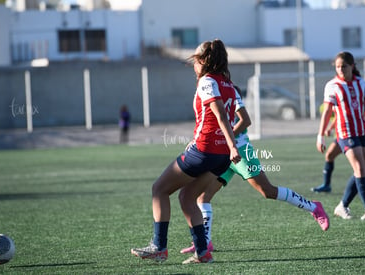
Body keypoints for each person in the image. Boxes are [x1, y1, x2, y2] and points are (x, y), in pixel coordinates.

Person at [180, 86, 329, 254]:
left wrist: (227, 139)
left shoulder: (229, 91)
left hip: (242, 152)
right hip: (223, 153)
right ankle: (204, 242)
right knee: (203, 197)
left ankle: (314, 207)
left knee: (268, 191)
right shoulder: (211, 92)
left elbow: (245, 121)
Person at [131, 39, 241, 264]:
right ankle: (203, 252)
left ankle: (159, 246)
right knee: (187, 197)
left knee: (159, 189)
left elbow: (219, 114)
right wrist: (227, 147)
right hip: (220, 157)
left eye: (195, 60)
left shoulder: (207, 81)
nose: (193, 65)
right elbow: (215, 118)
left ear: (203, 61)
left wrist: (232, 146)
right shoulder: (227, 84)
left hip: (206, 151)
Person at [316, 51, 365, 220]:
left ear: (352, 66)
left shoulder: (361, 82)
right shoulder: (332, 85)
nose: (340, 70)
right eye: (338, 67)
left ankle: (342, 206)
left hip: (361, 131)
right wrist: (320, 135)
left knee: (364, 169)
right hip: (345, 133)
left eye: (344, 66)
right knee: (360, 169)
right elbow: (327, 112)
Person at [311, 105, 341, 193]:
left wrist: (330, 128)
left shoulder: (338, 95)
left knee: (363, 163)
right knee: (329, 156)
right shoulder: (323, 105)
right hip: (340, 135)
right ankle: (326, 185)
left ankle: (327, 185)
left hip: (347, 134)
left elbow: (340, 115)